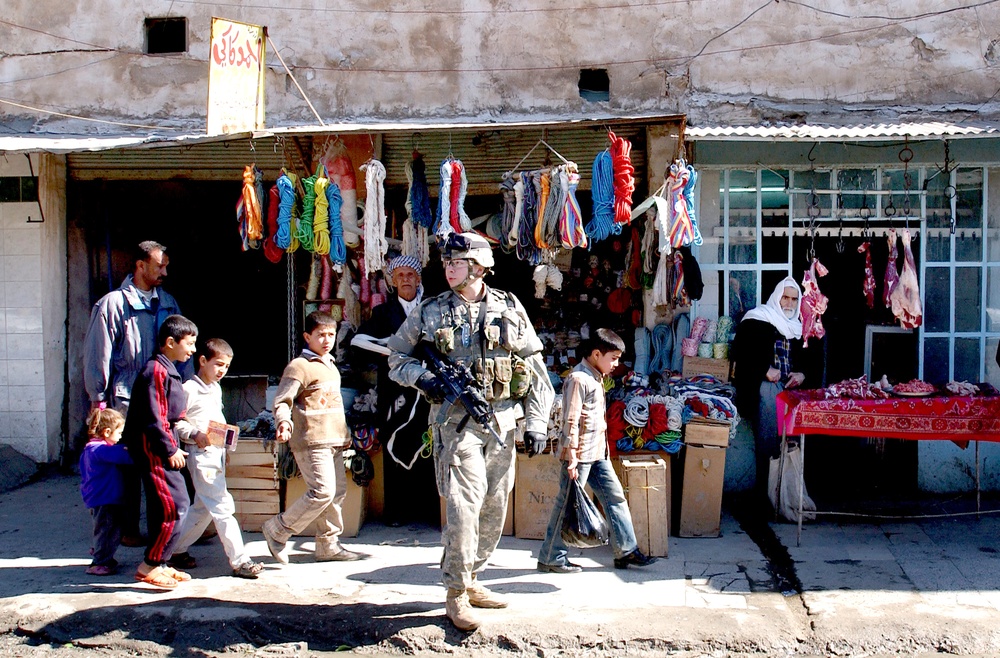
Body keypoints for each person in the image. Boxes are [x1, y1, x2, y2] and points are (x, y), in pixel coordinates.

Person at [387, 232, 555, 632]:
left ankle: (474, 576)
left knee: (495, 506)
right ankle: (456, 592)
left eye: (457, 263)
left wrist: (535, 421)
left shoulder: (510, 307)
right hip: (455, 425)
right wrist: (424, 380)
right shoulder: (430, 311)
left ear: (479, 268)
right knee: (464, 505)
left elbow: (535, 370)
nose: (449, 269)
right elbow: (396, 356)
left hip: (502, 423)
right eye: (446, 263)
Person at [83, 240, 181, 546]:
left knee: (160, 462)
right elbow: (97, 354)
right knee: (126, 466)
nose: (165, 270)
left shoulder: (167, 303)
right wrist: (98, 400)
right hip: (123, 399)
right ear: (140, 265)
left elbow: (183, 349)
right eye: (159, 265)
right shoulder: (113, 305)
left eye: (166, 265)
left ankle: (161, 529)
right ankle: (124, 529)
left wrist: (185, 392)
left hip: (160, 398)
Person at [537, 328, 658, 574]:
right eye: (612, 358)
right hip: (579, 455)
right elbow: (570, 420)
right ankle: (551, 557)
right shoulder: (578, 378)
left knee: (615, 498)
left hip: (597, 454)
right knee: (567, 505)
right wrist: (571, 455)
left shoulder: (595, 376)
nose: (616, 364)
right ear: (595, 354)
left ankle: (626, 550)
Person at [262, 311, 366, 565]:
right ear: (308, 336)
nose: (327, 339)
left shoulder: (330, 365)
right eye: (321, 335)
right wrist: (283, 422)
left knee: (337, 493)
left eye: (331, 334)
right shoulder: (299, 366)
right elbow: (283, 399)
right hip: (311, 440)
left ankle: (328, 545)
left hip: (335, 440)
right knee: (322, 491)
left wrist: (345, 435)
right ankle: (278, 528)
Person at [169, 338, 264, 579]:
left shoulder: (215, 388)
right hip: (200, 456)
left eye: (227, 367)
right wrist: (194, 434)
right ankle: (240, 561)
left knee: (202, 509)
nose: (222, 371)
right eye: (218, 364)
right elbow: (176, 422)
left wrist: (225, 450)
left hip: (216, 454)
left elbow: (217, 423)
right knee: (222, 507)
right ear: (202, 361)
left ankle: (172, 550)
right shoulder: (189, 388)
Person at [354, 255, 437, 526]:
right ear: (392, 281)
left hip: (427, 390)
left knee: (428, 444)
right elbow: (359, 341)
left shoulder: (431, 308)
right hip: (395, 390)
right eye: (399, 276)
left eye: (410, 275)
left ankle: (430, 510)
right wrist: (392, 349)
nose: (405, 280)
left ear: (418, 279)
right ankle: (398, 512)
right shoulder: (383, 313)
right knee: (394, 444)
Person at [122, 314, 197, 589]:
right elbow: (157, 417)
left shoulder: (169, 369)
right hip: (154, 448)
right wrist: (170, 449)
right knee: (174, 505)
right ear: (170, 342)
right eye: (189, 343)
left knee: (167, 504)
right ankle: (149, 566)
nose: (193, 349)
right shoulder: (156, 370)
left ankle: (161, 562)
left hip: (164, 444)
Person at [731, 277, 807, 507]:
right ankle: (767, 495)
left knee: (793, 439)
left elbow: (809, 360)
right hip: (763, 387)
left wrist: (802, 374)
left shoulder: (798, 326)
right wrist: (764, 370)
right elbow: (738, 356)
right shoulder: (757, 318)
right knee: (769, 439)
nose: (790, 303)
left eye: (794, 299)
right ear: (776, 296)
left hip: (790, 388)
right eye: (785, 297)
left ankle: (788, 493)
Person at [79, 407, 129, 576]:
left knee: (104, 528)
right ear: (107, 432)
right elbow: (125, 457)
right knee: (108, 529)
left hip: (97, 497)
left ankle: (103, 553)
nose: (121, 437)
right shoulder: (101, 450)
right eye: (119, 432)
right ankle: (99, 561)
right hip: (105, 498)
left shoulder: (90, 449)